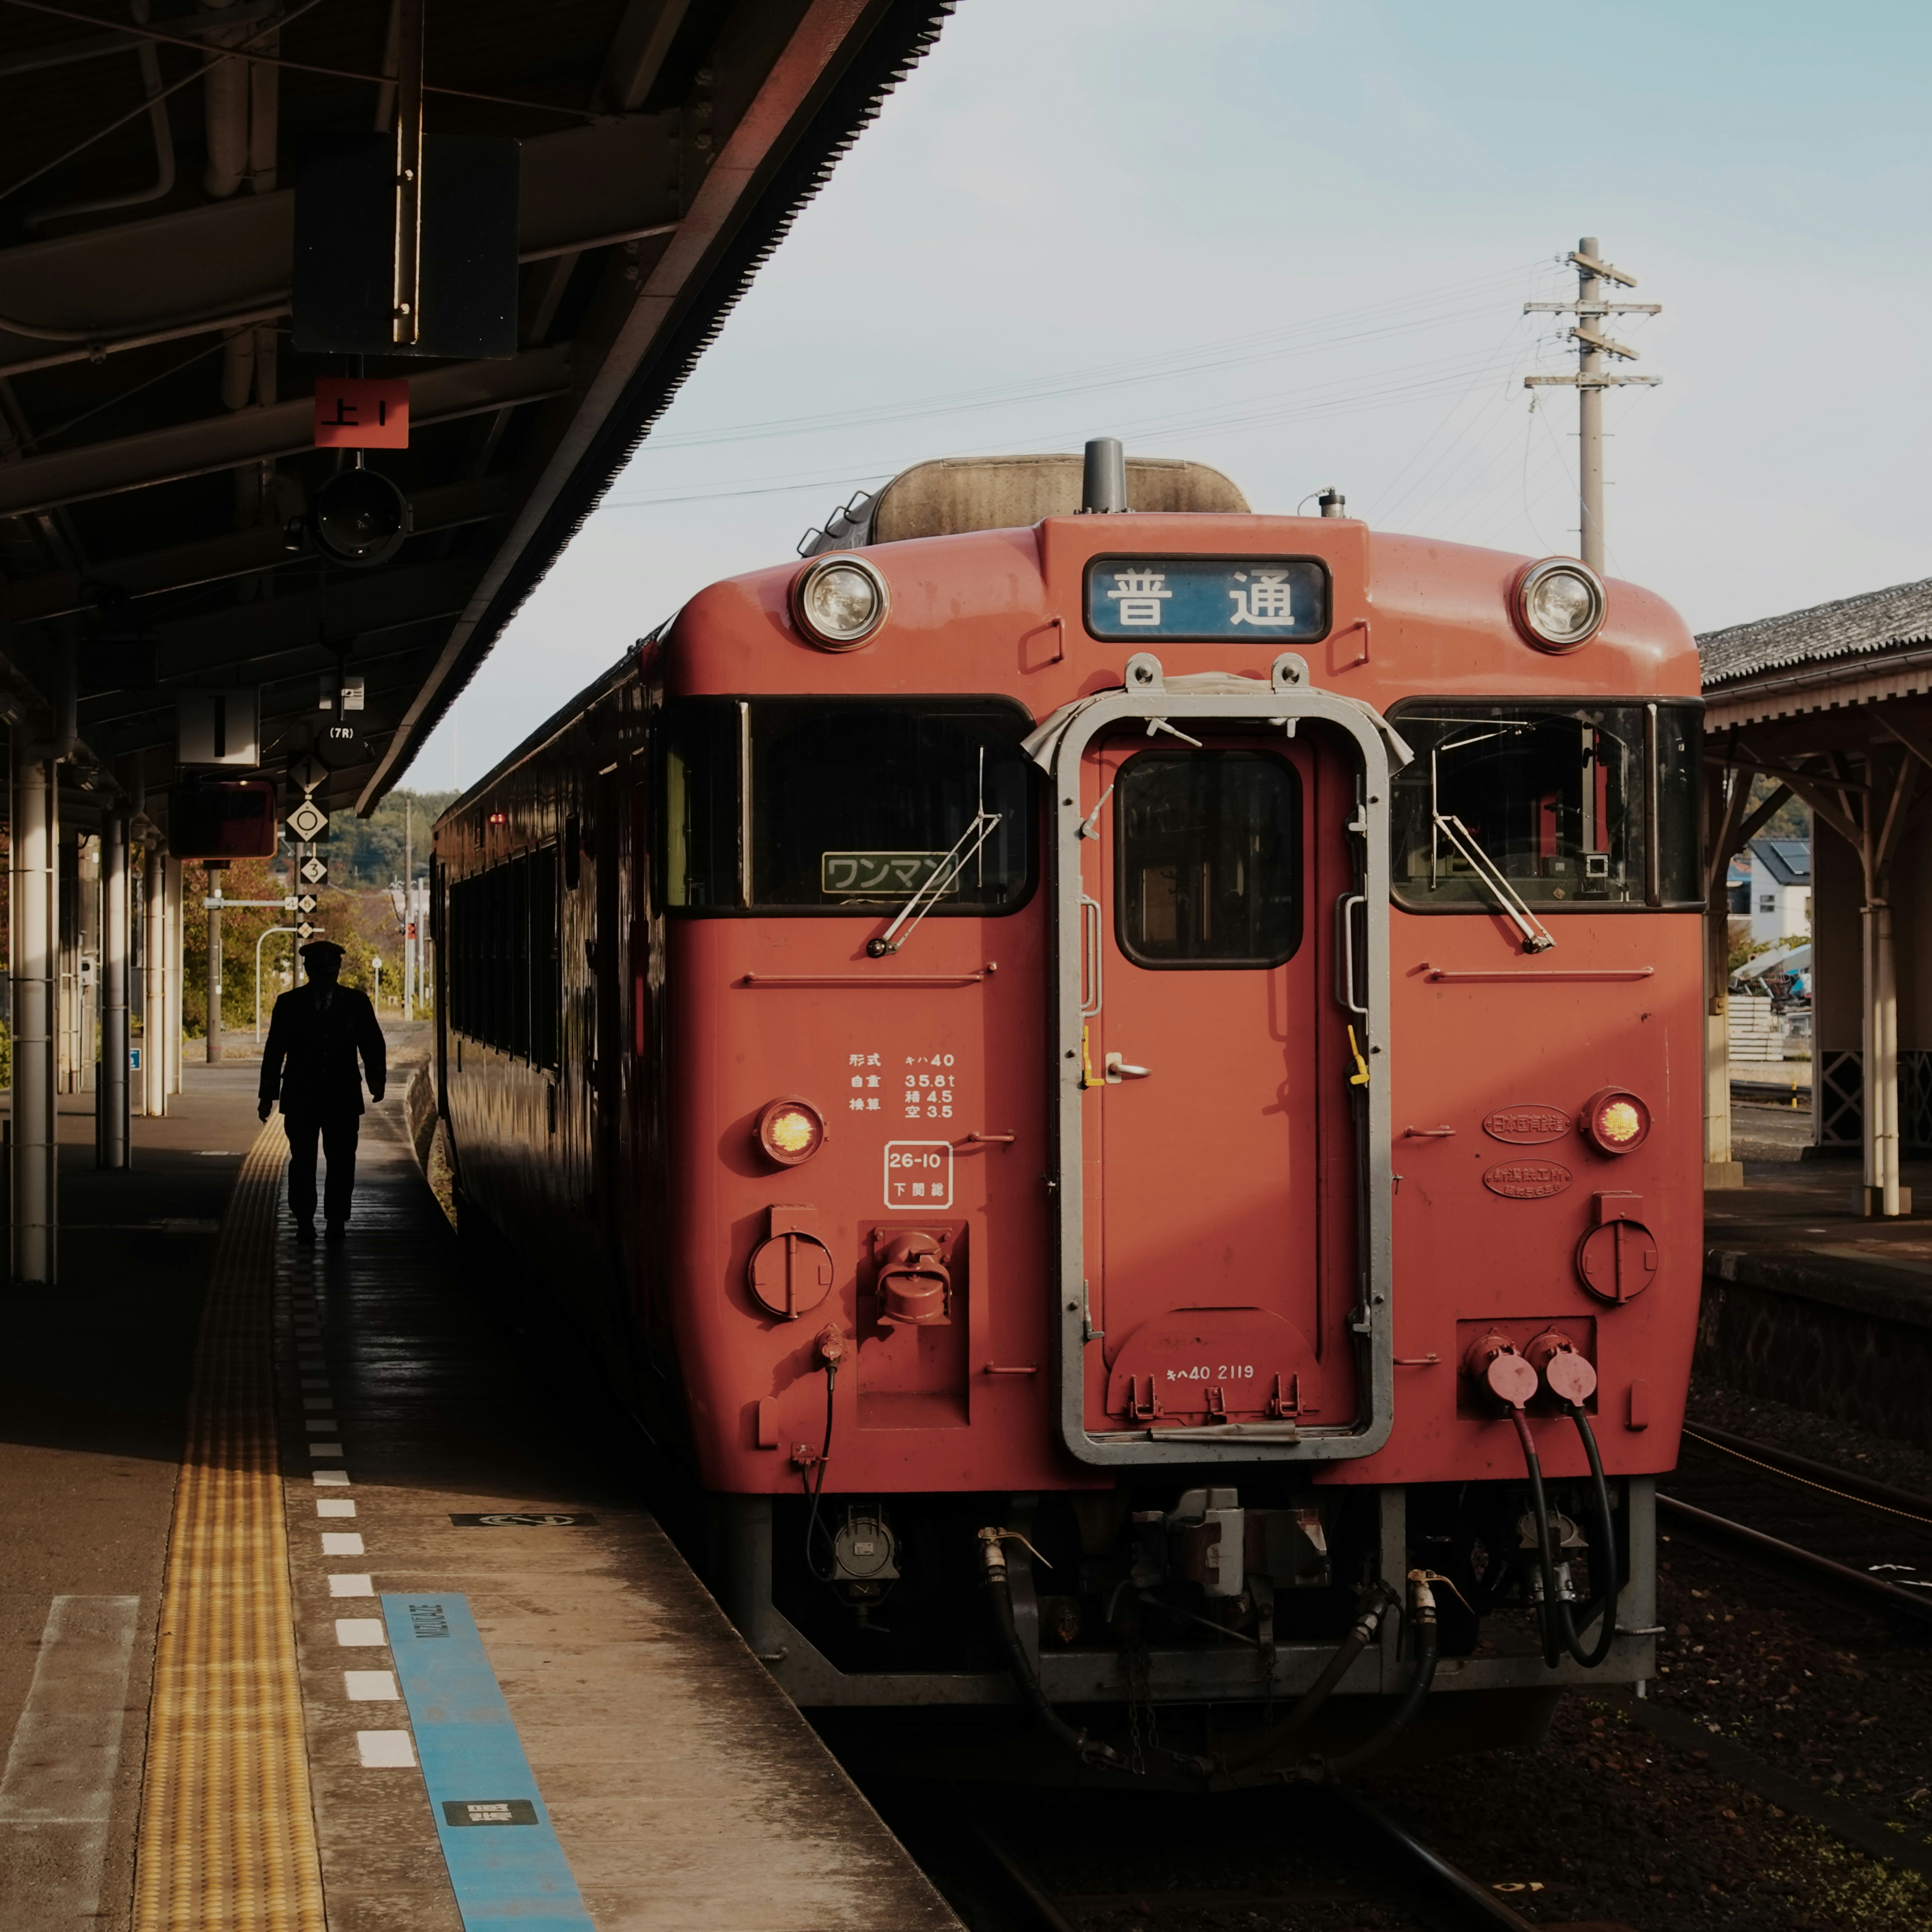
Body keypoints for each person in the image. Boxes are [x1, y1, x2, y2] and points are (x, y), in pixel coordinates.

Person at [258, 939, 387, 1242]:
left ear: (338, 970)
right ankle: (304, 1220)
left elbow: (373, 1043)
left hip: (342, 1096)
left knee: (342, 1160)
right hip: (301, 1095)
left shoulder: (357, 1002)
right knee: (302, 1160)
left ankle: (336, 1220)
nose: (326, 980)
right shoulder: (288, 1003)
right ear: (308, 971)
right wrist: (267, 1095)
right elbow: (274, 1051)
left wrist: (377, 1080)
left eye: (330, 973)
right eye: (320, 974)